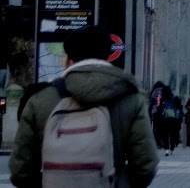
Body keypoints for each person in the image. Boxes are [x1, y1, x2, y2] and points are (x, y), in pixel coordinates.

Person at [8, 24, 160, 188]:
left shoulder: (40, 100)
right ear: (107, 57)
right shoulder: (131, 99)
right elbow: (146, 166)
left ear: (69, 59)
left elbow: (20, 171)